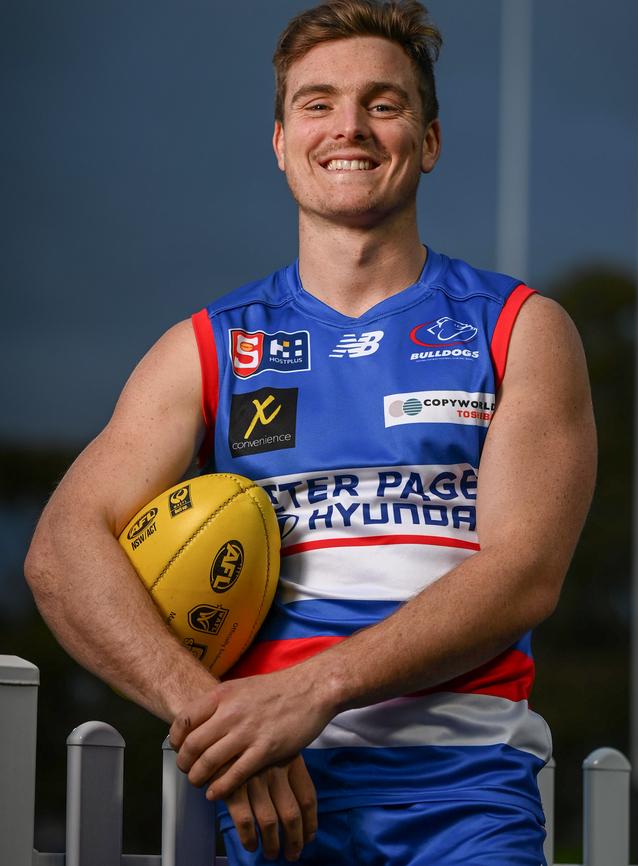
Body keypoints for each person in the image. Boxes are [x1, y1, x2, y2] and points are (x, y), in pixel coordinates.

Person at [25, 1, 597, 863]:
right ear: (283, 142)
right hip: (274, 794)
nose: (350, 127)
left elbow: (523, 576)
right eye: (318, 103)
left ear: (430, 141)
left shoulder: (519, 327)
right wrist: (211, 714)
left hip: (467, 789)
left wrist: (313, 690)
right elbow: (62, 552)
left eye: (385, 102)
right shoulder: (207, 347)